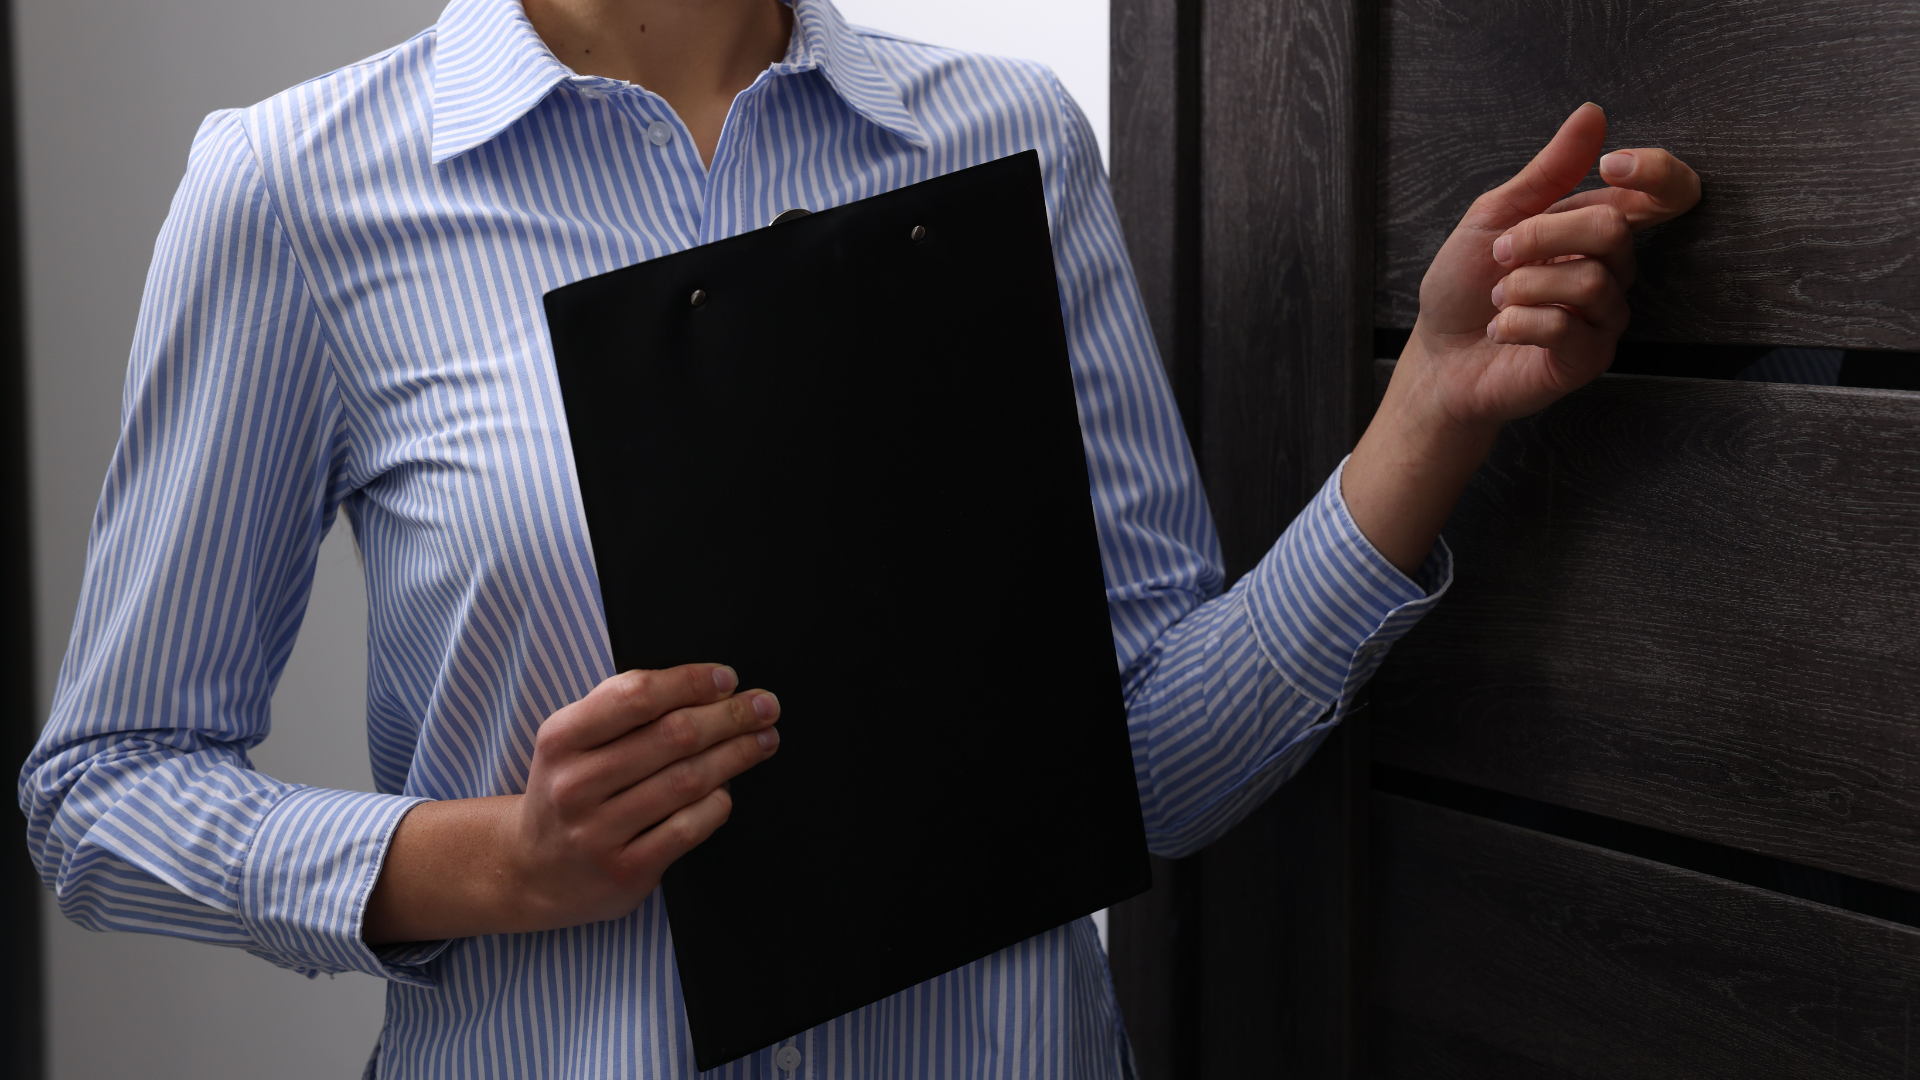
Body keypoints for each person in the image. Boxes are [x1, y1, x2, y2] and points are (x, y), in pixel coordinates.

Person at [16, 0, 1700, 1075]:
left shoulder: (1006, 136)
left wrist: (1431, 412)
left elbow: (1145, 773)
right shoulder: (291, 194)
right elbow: (103, 794)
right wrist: (492, 864)